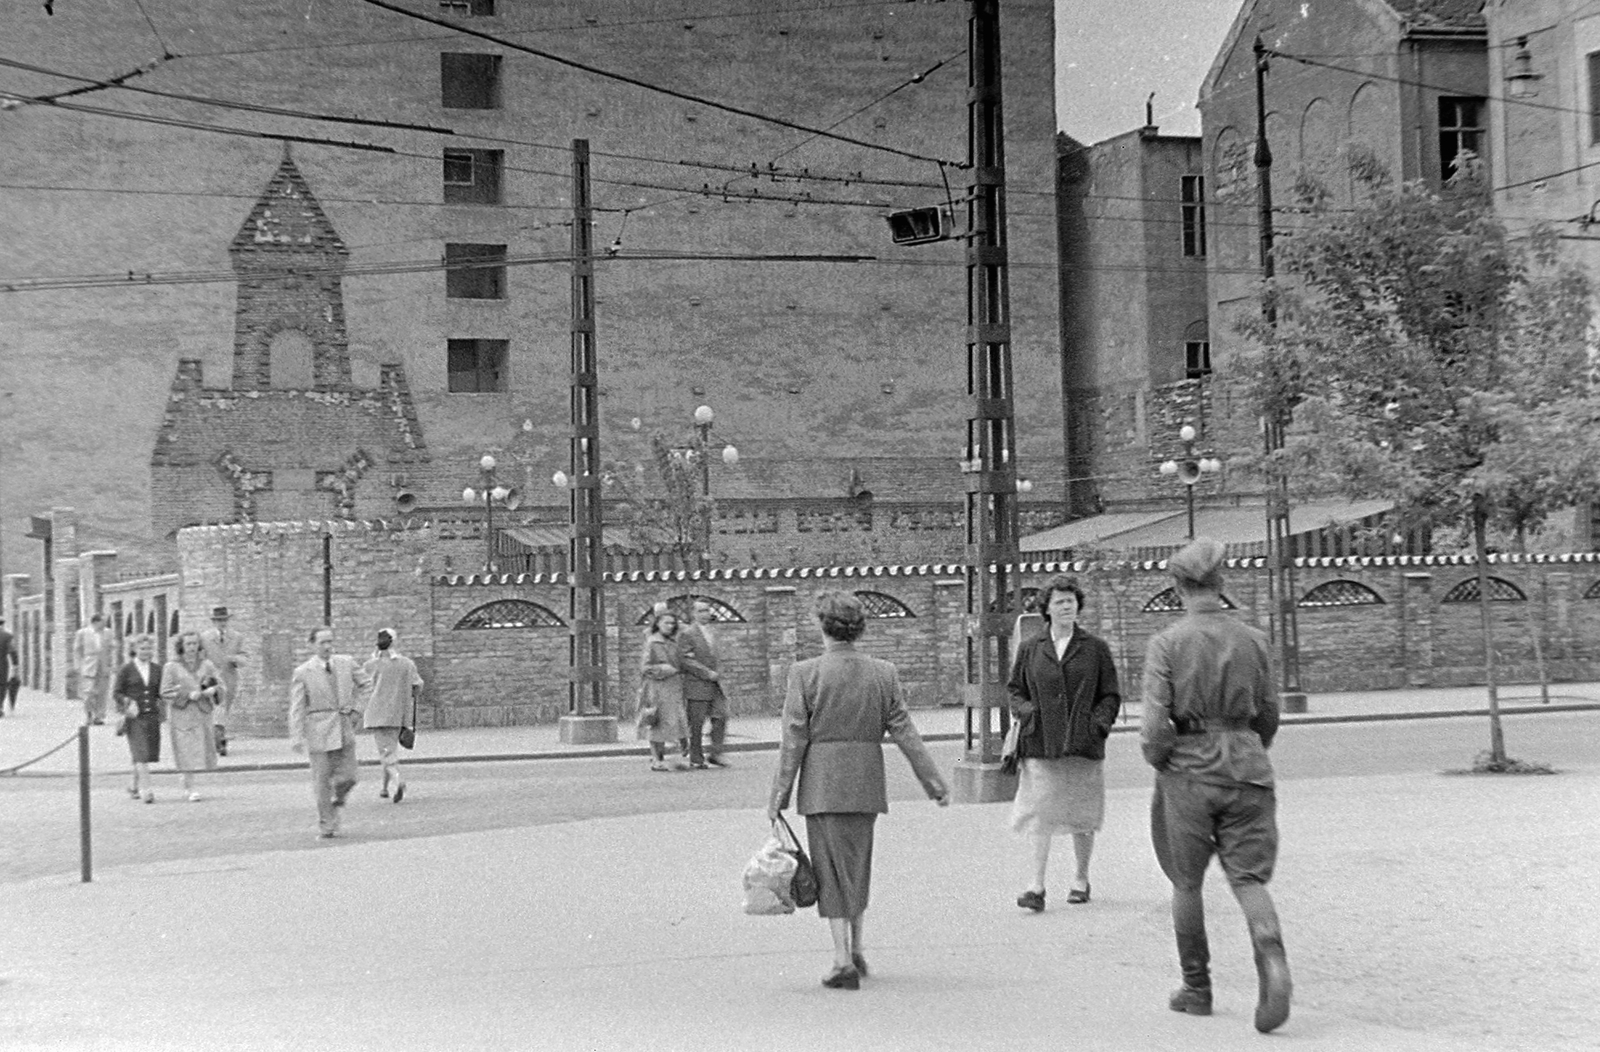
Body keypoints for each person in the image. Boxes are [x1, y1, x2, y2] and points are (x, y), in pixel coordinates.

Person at [1141, 537, 1291, 1034]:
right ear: (1221, 584)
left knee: (1187, 882)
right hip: (1248, 767)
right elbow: (1269, 714)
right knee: (1249, 879)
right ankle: (1270, 952)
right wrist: (1249, 747)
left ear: (1177, 587)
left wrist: (1162, 760)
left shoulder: (1167, 643)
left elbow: (1154, 727)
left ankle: (1197, 988)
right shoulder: (1254, 639)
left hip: (1188, 770)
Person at [767, 591, 950, 991]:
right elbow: (906, 733)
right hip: (866, 783)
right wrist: (934, 784)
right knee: (857, 866)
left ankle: (841, 959)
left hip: (822, 785)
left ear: (821, 626)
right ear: (860, 629)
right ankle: (859, 947)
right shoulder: (883, 673)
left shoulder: (805, 673)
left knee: (830, 872)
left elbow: (793, 739)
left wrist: (779, 796)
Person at [1006, 575, 1122, 912]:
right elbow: (1015, 689)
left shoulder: (1095, 648)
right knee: (1041, 810)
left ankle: (1080, 879)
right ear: (1047, 608)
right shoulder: (1031, 648)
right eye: (1059, 601)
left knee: (1081, 813)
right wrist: (1028, 714)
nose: (1067, 606)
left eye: (1071, 600)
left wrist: (1098, 724)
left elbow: (1110, 694)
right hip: (1040, 742)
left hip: (1083, 744)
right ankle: (1036, 886)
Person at [288, 625, 372, 838]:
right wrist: (296, 735)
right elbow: (297, 706)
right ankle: (327, 824)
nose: (327, 647)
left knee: (350, 776)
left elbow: (367, 685)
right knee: (322, 780)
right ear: (312, 645)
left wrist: (357, 710)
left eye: (330, 642)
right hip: (319, 730)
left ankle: (339, 795)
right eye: (322, 642)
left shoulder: (346, 663)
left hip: (344, 726)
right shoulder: (303, 672)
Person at [160, 630, 222, 802]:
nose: (192, 648)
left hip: (202, 713)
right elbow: (165, 692)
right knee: (185, 749)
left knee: (199, 750)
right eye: (188, 644)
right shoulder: (171, 667)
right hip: (182, 713)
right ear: (181, 646)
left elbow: (219, 685)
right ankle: (190, 787)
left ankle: (187, 780)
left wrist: (213, 690)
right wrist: (186, 695)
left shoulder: (207, 665)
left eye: (195, 644)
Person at [362, 627, 421, 803]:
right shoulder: (407, 664)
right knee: (389, 751)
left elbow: (361, 686)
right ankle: (384, 788)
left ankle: (398, 781)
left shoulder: (371, 665)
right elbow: (417, 686)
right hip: (398, 714)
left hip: (378, 714)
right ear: (394, 642)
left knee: (386, 753)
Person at [678, 598, 731, 769]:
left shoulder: (713, 632)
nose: (705, 614)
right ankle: (696, 757)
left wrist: (719, 673)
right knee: (697, 723)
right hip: (697, 684)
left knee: (721, 716)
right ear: (693, 614)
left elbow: (716, 657)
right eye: (701, 611)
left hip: (716, 685)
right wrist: (706, 673)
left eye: (707, 610)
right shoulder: (687, 633)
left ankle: (716, 753)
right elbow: (684, 659)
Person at [638, 604, 691, 772]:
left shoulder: (674, 642)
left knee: (676, 722)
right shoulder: (653, 642)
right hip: (657, 688)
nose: (670, 626)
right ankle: (656, 759)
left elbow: (681, 663)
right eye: (666, 623)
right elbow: (645, 668)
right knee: (657, 723)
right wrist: (663, 669)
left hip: (674, 687)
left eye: (672, 623)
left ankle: (677, 754)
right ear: (658, 623)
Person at [112, 635, 163, 803]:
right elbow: (117, 693)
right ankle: (146, 790)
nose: (146, 652)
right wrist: (128, 701)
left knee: (144, 754)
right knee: (141, 752)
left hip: (152, 716)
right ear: (134, 649)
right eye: (142, 648)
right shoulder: (126, 669)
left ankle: (133, 786)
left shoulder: (157, 669)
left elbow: (161, 692)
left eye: (148, 648)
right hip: (134, 718)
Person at [198, 605, 245, 756]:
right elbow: (200, 658)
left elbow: (245, 657)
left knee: (223, 709)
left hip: (229, 678)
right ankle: (220, 740)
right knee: (215, 709)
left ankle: (217, 739)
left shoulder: (237, 637)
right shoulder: (205, 638)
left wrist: (235, 659)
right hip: (210, 680)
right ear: (214, 622)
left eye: (224, 620)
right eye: (218, 620)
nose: (222, 623)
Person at [74, 612, 113, 725]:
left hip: (103, 665)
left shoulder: (108, 633)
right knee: (88, 692)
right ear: (95, 622)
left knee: (102, 692)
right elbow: (77, 649)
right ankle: (89, 714)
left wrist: (110, 663)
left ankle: (99, 716)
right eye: (103, 622)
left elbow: (110, 648)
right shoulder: (82, 633)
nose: (105, 624)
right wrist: (78, 665)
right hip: (89, 665)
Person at [0, 616, 19, 716]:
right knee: (2, 685)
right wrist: (15, 665)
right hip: (2, 664)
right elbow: (13, 651)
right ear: (2, 625)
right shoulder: (7, 636)